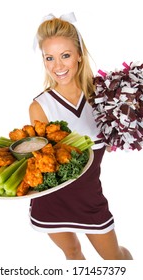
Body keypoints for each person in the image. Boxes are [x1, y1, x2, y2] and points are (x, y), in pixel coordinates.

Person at [28, 12, 133, 260]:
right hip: (52, 200)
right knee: (73, 253)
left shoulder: (106, 96)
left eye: (65, 55)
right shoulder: (39, 106)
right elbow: (46, 163)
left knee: (115, 258)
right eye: (49, 58)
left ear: (79, 55)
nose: (58, 66)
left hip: (90, 197)